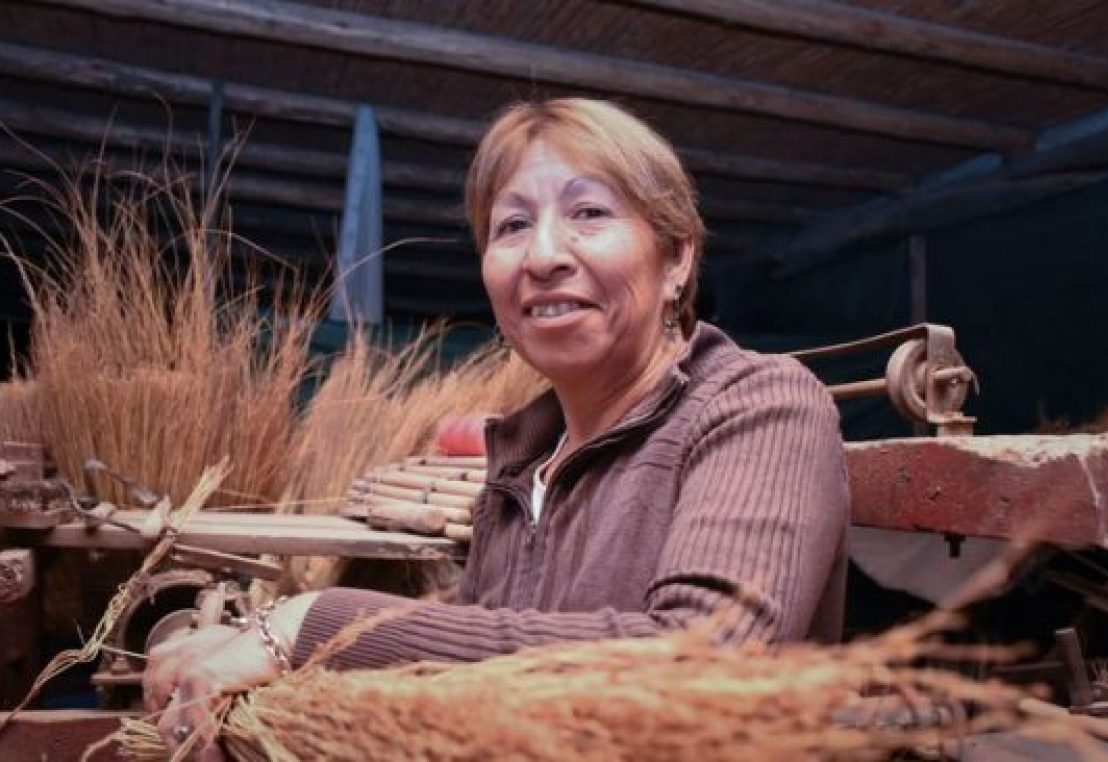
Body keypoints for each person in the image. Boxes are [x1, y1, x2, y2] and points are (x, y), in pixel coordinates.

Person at [143, 98, 851, 758]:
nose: (543, 256)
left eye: (590, 213)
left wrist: (312, 624)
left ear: (677, 259)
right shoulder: (521, 463)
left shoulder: (760, 405)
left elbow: (704, 661)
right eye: (511, 226)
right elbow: (496, 651)